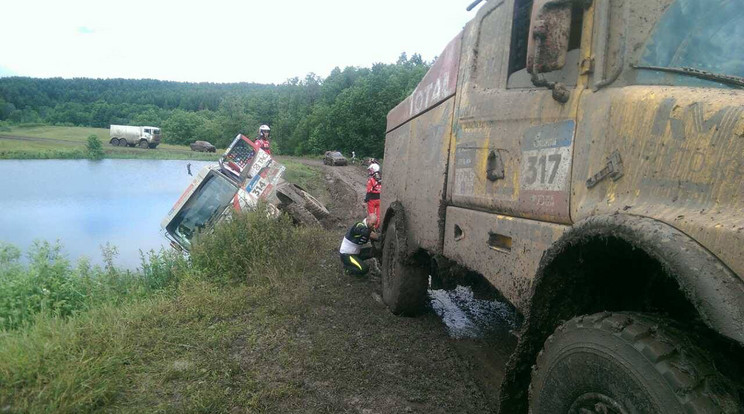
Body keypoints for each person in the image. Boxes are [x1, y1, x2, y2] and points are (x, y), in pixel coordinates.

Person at [364, 163, 382, 229]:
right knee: (378, 214)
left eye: (370, 170)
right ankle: (377, 227)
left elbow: (369, 191)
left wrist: (365, 200)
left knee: (371, 214)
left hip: (372, 200)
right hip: (379, 199)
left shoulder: (371, 180)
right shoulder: (381, 179)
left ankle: (371, 228)